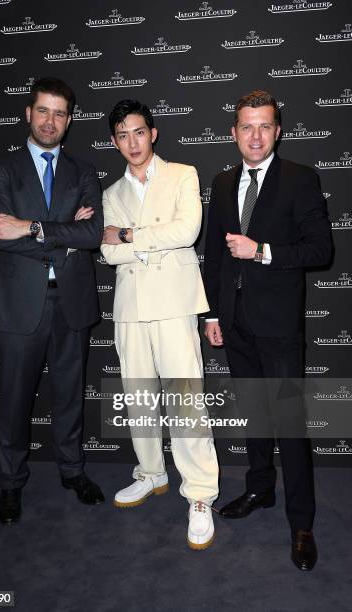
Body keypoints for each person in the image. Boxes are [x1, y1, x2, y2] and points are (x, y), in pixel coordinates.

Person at [203, 90, 332, 570]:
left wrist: (262, 251)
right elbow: (214, 256)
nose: (255, 136)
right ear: (233, 133)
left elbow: (321, 250)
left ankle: (302, 523)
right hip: (235, 324)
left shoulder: (300, 179)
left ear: (277, 131)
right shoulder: (222, 181)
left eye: (264, 126)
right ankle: (260, 489)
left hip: (278, 327)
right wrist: (213, 315)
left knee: (290, 426)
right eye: (246, 127)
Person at [100, 99, 219, 550]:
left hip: (174, 304)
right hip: (130, 308)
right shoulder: (111, 194)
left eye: (138, 132)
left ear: (154, 133)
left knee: (187, 402)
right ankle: (150, 474)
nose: (132, 142)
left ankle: (202, 494)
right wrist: (150, 242)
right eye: (122, 135)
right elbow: (107, 253)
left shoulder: (183, 174)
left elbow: (186, 231)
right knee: (139, 400)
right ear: (115, 141)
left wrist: (131, 236)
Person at [0, 77, 104, 524]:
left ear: (69, 120)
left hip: (71, 302)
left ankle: (73, 472)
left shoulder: (83, 171)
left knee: (70, 395)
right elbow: (3, 237)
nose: (50, 120)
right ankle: (11, 483)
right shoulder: (3, 169)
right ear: (28, 114)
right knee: (15, 400)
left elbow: (92, 234)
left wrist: (32, 227)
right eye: (43, 111)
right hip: (21, 305)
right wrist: (64, 234)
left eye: (59, 113)